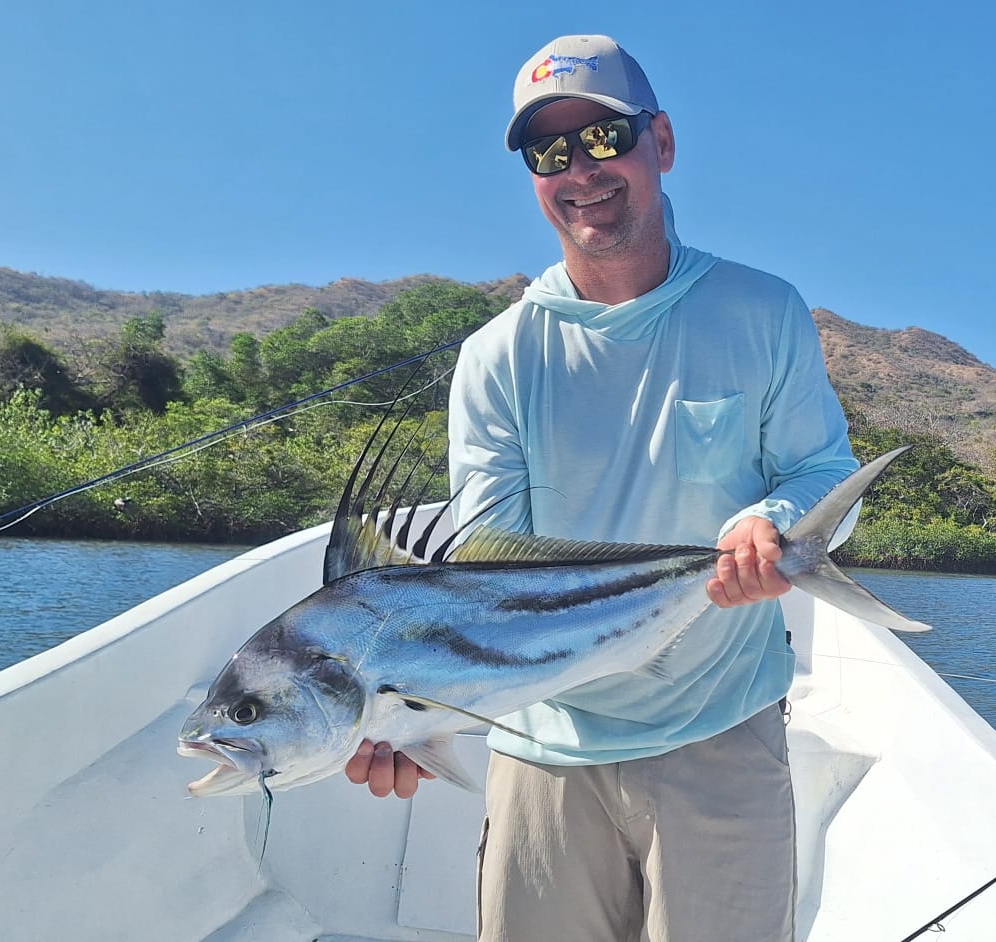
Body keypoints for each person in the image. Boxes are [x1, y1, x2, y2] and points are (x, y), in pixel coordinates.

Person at [346, 34, 857, 942]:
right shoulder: (496, 354)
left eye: (604, 138)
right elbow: (491, 572)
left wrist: (773, 521)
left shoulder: (762, 309)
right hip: (542, 744)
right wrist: (414, 713)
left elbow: (819, 472)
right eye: (548, 154)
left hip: (721, 725)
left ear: (661, 141)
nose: (579, 170)